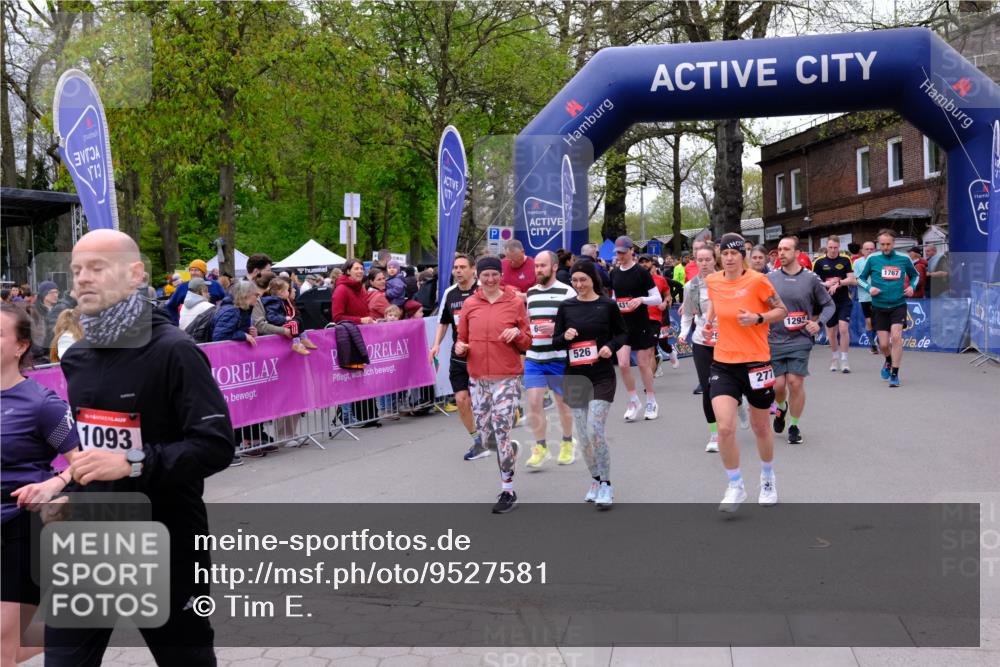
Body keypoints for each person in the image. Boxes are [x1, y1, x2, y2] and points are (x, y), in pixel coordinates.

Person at [47, 230, 233, 665]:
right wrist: (67, 487)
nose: (83, 281)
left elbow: (215, 445)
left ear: (135, 276)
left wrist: (132, 464)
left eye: (97, 268)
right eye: (76, 271)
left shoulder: (174, 351)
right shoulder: (78, 357)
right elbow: (94, 447)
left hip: (164, 540)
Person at [1, 304, 81, 667]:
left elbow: (83, 466)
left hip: (17, 527)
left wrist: (54, 483)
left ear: (20, 346)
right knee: (9, 649)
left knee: (3, 646)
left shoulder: (42, 404)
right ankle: (76, 632)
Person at [704, 233, 788, 513]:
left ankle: (767, 478)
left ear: (743, 256)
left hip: (756, 362)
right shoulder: (712, 281)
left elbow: (782, 310)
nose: (728, 258)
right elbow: (716, 303)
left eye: (734, 253)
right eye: (724, 253)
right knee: (725, 427)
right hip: (723, 363)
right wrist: (708, 321)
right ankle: (735, 484)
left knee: (760, 427)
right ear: (720, 256)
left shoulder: (757, 281)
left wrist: (758, 318)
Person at [454, 256, 530, 514]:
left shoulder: (515, 303)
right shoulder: (470, 304)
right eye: (485, 275)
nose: (489, 279)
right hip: (477, 379)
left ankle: (508, 490)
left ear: (500, 275)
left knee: (501, 430)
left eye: (494, 275)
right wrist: (460, 347)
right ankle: (509, 451)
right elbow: (460, 340)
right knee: (487, 439)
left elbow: (527, 340)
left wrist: (518, 334)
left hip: (506, 377)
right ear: (479, 276)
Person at [552, 261, 627, 508]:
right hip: (575, 376)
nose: (579, 285)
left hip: (602, 375)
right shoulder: (566, 306)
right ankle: (594, 479)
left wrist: (610, 347)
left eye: (583, 280)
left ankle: (607, 484)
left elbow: (622, 334)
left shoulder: (607, 305)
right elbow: (556, 341)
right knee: (583, 437)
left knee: (595, 431)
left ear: (593, 280)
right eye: (575, 281)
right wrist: (565, 337)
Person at [768, 236, 836, 445]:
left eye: (786, 249)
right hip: (774, 339)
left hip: (800, 339)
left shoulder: (811, 278)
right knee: (779, 386)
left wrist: (819, 323)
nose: (781, 253)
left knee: (795, 383)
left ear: (797, 253)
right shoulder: (769, 278)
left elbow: (829, 305)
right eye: (779, 249)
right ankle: (781, 408)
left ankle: (794, 426)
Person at [429, 255, 487, 460]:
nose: (458, 271)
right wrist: (436, 344)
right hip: (459, 354)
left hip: (483, 354)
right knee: (462, 400)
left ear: (473, 269)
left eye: (462, 267)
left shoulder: (483, 290)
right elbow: (443, 321)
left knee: (483, 401)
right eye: (455, 267)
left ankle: (494, 431)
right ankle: (478, 441)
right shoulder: (450, 293)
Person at [523, 251, 577, 470]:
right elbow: (529, 322)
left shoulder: (567, 292)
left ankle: (567, 441)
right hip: (535, 357)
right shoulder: (531, 293)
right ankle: (540, 447)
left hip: (558, 358)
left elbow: (576, 325)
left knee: (562, 403)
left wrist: (557, 329)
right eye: (536, 266)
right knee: (534, 402)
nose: (538, 270)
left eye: (542, 266)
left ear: (554, 267)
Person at [856, 229, 918, 387]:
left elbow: (915, 275)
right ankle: (888, 361)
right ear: (879, 244)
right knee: (883, 345)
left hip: (898, 304)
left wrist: (911, 287)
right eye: (882, 244)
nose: (885, 247)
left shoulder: (903, 258)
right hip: (879, 306)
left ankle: (895, 374)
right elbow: (860, 278)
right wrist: (869, 288)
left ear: (894, 243)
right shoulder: (873, 258)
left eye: (888, 244)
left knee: (896, 338)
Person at [608, 236, 662, 422]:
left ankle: (651, 400)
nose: (620, 256)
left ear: (632, 251)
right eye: (618, 253)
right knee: (622, 364)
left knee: (642, 364)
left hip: (640, 324)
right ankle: (633, 400)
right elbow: (615, 297)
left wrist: (641, 300)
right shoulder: (614, 273)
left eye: (623, 252)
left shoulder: (641, 272)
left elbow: (657, 298)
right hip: (622, 325)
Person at [680, 246, 722, 452]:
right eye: (700, 260)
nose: (704, 263)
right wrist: (682, 333)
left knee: (731, 386)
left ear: (715, 260)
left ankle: (739, 406)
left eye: (707, 259)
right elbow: (687, 314)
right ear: (695, 262)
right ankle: (714, 434)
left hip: (726, 341)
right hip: (702, 342)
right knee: (708, 388)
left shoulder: (726, 281)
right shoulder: (691, 286)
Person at [812, 235, 854, 373]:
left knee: (843, 328)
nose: (833, 250)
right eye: (830, 247)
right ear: (826, 247)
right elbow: (814, 282)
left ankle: (845, 359)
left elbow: (852, 279)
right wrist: (826, 284)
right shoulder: (819, 262)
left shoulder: (845, 259)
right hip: (827, 302)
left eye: (835, 247)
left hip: (844, 300)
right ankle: (835, 356)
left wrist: (839, 283)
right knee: (831, 332)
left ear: (839, 247)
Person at [262, 277, 316, 355]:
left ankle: (304, 338)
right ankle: (296, 344)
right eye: (287, 290)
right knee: (294, 323)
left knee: (298, 319)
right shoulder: (273, 302)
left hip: (282, 322)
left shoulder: (280, 300)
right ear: (281, 292)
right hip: (278, 324)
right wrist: (284, 318)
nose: (289, 292)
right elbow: (271, 317)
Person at [164, 259, 227, 325]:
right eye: (191, 270)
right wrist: (176, 322)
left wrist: (221, 320)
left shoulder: (215, 285)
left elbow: (226, 301)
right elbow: (171, 306)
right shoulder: (182, 287)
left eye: (196, 270)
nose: (193, 273)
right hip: (190, 326)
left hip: (211, 324)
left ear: (204, 272)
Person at [851, 240, 880, 354]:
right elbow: (856, 279)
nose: (869, 251)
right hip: (865, 296)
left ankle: (881, 343)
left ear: (875, 250)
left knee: (880, 320)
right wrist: (868, 288)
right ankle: (872, 344)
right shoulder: (857, 262)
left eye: (871, 249)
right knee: (869, 322)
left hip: (879, 295)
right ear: (862, 251)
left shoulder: (880, 261)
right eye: (867, 249)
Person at [331, 259, 375, 324]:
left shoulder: (360, 288)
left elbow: (366, 311)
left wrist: (371, 318)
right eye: (356, 269)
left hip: (364, 330)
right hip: (349, 332)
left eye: (362, 269)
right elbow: (337, 318)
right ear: (348, 271)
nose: (360, 271)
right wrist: (360, 320)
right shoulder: (341, 290)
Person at [35, 280, 60, 351]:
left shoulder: (60, 308)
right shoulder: (35, 311)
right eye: (52, 292)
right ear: (44, 294)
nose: (56, 295)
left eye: (57, 292)